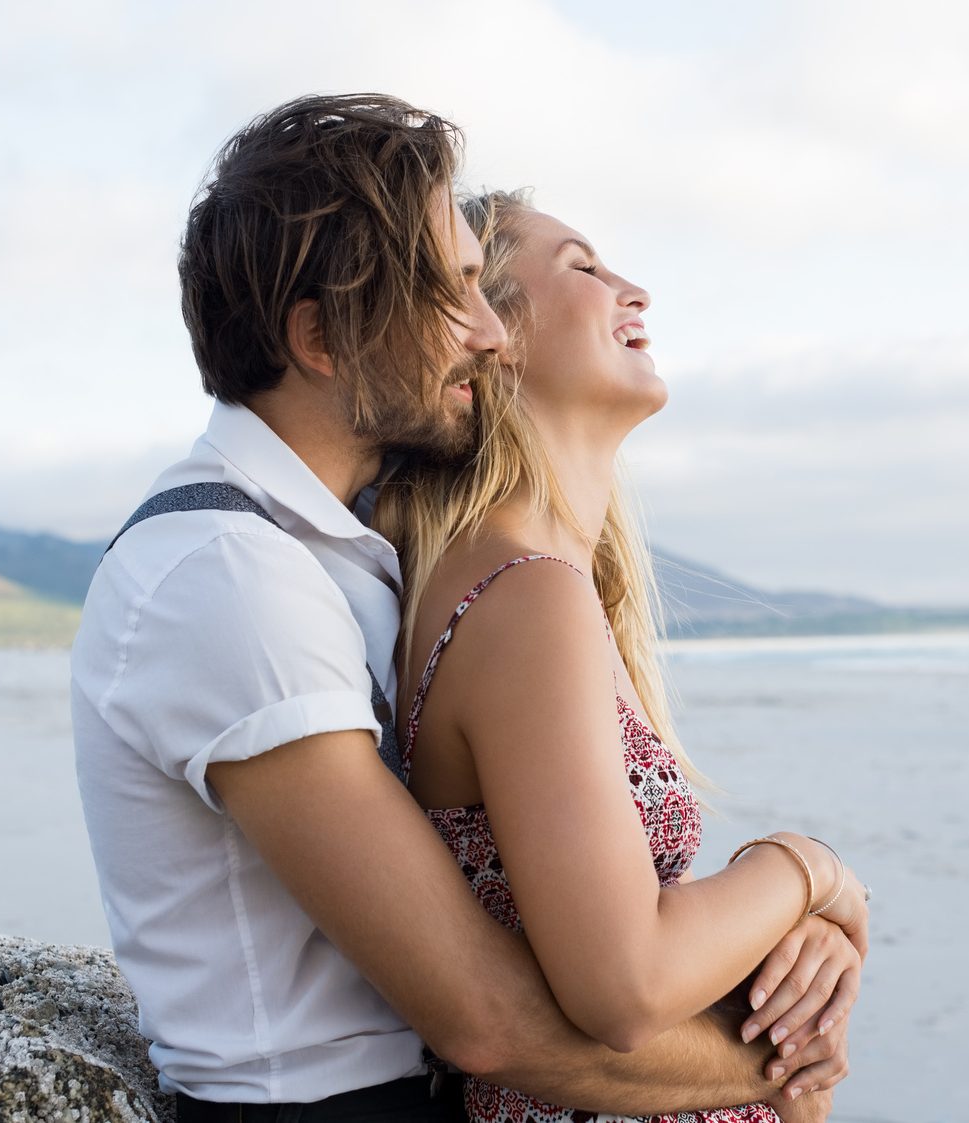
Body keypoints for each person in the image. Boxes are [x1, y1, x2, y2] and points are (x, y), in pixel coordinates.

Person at [71, 93, 854, 1123]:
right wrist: (796, 972)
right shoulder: (227, 579)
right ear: (321, 335)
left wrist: (774, 952)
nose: (484, 335)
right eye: (451, 295)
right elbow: (487, 1018)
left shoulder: (344, 549)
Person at [373, 189, 870, 1123]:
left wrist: (796, 947)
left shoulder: (546, 586)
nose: (631, 288)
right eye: (584, 268)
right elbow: (625, 984)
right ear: (491, 331)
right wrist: (808, 869)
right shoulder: (525, 594)